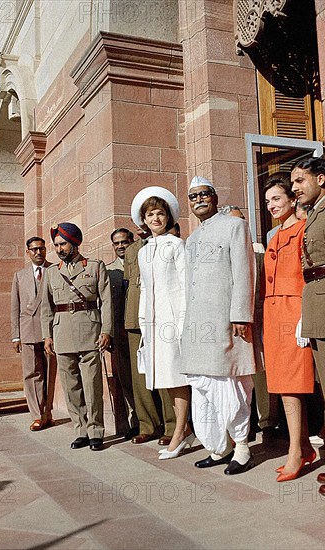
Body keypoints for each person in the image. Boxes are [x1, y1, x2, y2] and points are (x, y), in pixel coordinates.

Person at [181, 177, 257, 475]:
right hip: (198, 327)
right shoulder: (192, 239)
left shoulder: (233, 226)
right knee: (203, 386)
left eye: (204, 194)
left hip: (226, 322)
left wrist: (241, 315)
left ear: (214, 197)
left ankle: (241, 447)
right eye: (193, 196)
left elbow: (244, 271)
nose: (199, 199)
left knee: (229, 383)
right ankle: (219, 447)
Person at [291, 157, 325, 497]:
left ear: (320, 178)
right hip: (318, 304)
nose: (294, 187)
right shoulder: (313, 213)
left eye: (300, 180)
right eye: (292, 182)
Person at [132, 186, 192, 460]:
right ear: (143, 220)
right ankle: (184, 427)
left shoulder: (177, 246)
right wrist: (143, 321)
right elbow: (145, 288)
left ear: (168, 217)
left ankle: (179, 432)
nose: (155, 219)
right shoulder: (144, 252)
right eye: (150, 214)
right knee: (165, 377)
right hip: (154, 322)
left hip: (172, 319)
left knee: (177, 376)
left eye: (160, 213)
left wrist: (182, 323)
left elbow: (185, 286)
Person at [40, 223, 112, 451]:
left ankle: (96, 432)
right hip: (61, 333)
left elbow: (107, 301)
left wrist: (106, 330)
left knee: (92, 385)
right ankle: (80, 430)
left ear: (75, 243)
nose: (59, 249)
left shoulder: (95, 266)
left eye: (63, 244)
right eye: (57, 245)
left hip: (89, 330)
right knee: (71, 386)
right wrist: (47, 336)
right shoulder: (51, 272)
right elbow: (46, 308)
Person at [262, 176, 316, 481]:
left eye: (277, 199)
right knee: (283, 383)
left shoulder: (304, 227)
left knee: (295, 382)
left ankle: (297, 451)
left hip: (293, 310)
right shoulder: (274, 236)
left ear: (292, 200)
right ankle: (303, 445)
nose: (271, 206)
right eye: (268, 201)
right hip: (273, 313)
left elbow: (309, 275)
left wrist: (304, 316)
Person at [219, 204, 280, 441]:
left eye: (243, 220)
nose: (241, 225)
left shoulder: (259, 253)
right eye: (236, 221)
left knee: (261, 373)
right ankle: (241, 427)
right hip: (231, 325)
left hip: (259, 320)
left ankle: (268, 422)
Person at [123, 226, 176, 446]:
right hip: (136, 313)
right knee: (140, 375)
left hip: (162, 314)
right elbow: (130, 281)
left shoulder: (170, 243)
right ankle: (147, 425)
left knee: (165, 370)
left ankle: (173, 425)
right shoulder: (132, 250)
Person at [11, 236, 57, 431]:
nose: (39, 252)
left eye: (42, 249)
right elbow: (15, 306)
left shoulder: (55, 270)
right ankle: (37, 415)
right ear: (27, 252)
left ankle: (48, 412)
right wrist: (16, 335)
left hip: (51, 329)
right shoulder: (19, 276)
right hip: (28, 329)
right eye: (35, 249)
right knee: (31, 373)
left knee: (49, 373)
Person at [106, 228, 138, 439]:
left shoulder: (140, 264)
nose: (120, 246)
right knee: (127, 378)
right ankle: (136, 421)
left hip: (142, 330)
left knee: (146, 377)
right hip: (120, 333)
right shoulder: (108, 272)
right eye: (116, 243)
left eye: (124, 242)